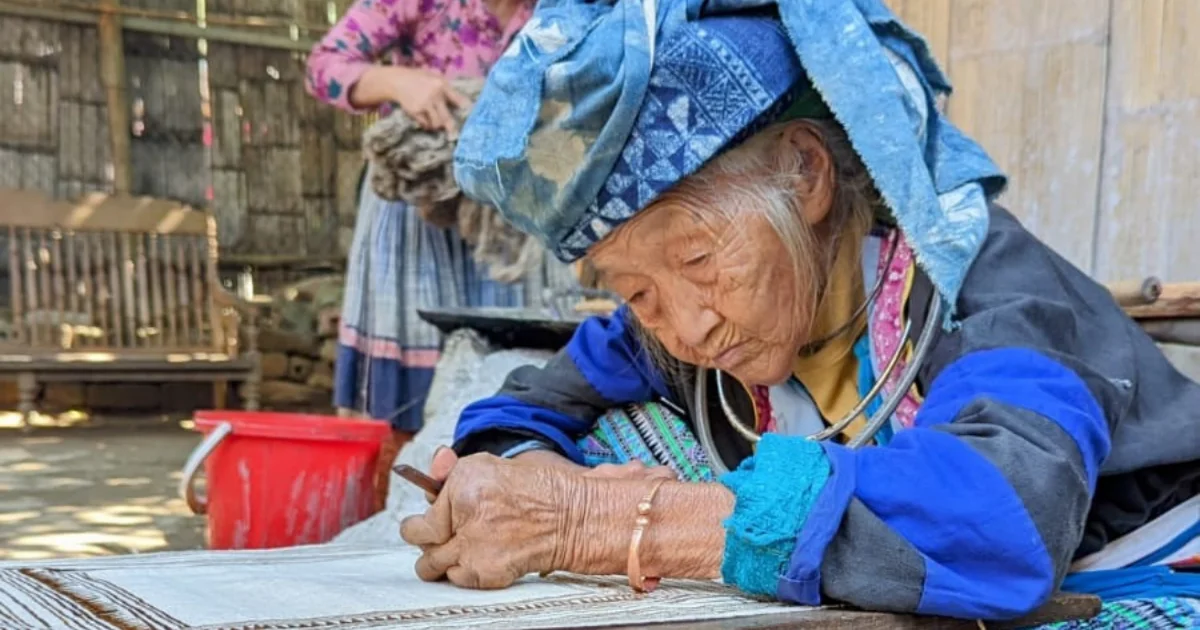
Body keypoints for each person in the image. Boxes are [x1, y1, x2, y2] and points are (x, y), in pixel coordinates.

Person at [396, 0, 1200, 626]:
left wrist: (603, 520)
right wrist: (523, 477)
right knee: (616, 430)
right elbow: (527, 404)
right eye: (636, 291)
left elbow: (999, 521)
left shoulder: (983, 285)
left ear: (806, 177)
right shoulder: (670, 332)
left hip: (1137, 576)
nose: (686, 326)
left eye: (699, 260)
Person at [304, 0, 555, 510]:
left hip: (507, 226)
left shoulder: (557, 13)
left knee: (511, 383)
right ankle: (389, 520)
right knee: (406, 409)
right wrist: (400, 83)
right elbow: (326, 67)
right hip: (416, 221)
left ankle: (496, 512)